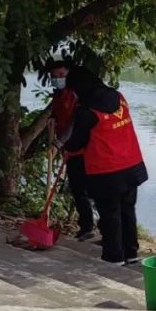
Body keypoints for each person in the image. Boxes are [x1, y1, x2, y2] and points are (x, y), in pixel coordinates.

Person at [57, 67, 148, 265]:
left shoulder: (87, 111)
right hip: (131, 164)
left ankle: (114, 257)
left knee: (110, 213)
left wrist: (65, 147)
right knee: (127, 210)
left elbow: (77, 142)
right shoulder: (119, 97)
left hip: (107, 170)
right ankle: (131, 253)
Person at [46, 61, 96, 241]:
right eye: (54, 76)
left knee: (87, 190)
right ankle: (87, 227)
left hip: (83, 149)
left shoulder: (76, 95)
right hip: (70, 149)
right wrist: (53, 119)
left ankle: (94, 228)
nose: (58, 79)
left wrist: (58, 143)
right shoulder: (58, 95)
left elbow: (75, 123)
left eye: (61, 75)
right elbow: (61, 116)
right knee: (77, 189)